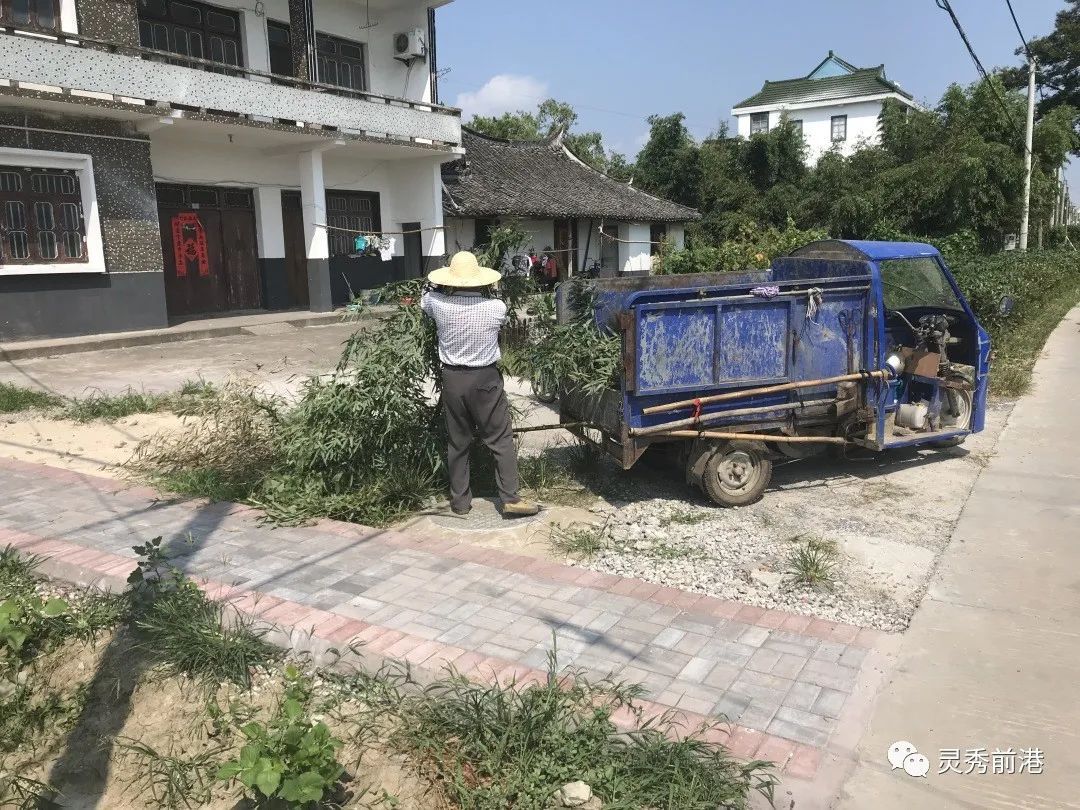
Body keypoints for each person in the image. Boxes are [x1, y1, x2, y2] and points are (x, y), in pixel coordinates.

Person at [421, 251, 541, 518]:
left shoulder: (438, 305)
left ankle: (461, 502)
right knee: (500, 439)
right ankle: (510, 498)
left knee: (458, 442)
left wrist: (438, 285)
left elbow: (425, 297)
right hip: (485, 379)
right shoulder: (495, 308)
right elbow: (498, 301)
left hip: (453, 378)